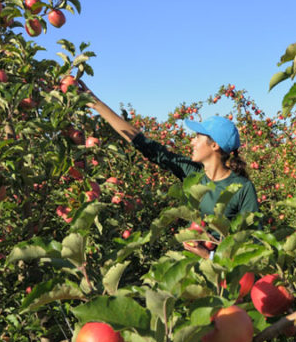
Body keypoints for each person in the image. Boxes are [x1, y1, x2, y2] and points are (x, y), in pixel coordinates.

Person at [79, 82, 260, 259]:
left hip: (223, 279)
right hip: (189, 275)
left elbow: (253, 248)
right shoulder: (193, 174)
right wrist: (97, 104)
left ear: (214, 145)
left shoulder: (242, 188)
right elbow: (146, 145)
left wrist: (209, 255)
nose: (192, 142)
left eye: (198, 137)